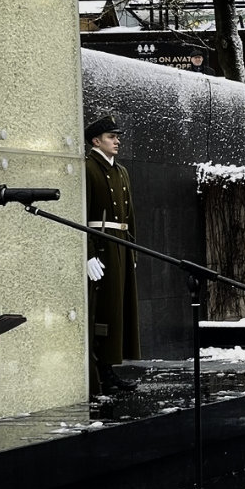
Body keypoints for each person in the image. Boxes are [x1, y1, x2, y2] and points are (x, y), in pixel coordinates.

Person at [84, 115, 140, 394]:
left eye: (117, 137)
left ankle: (110, 368)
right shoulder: (89, 168)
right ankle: (102, 371)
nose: (117, 141)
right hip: (102, 245)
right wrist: (88, 253)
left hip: (119, 245)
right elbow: (82, 213)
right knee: (104, 310)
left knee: (119, 308)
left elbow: (129, 217)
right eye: (111, 137)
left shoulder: (121, 171)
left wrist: (132, 249)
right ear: (96, 141)